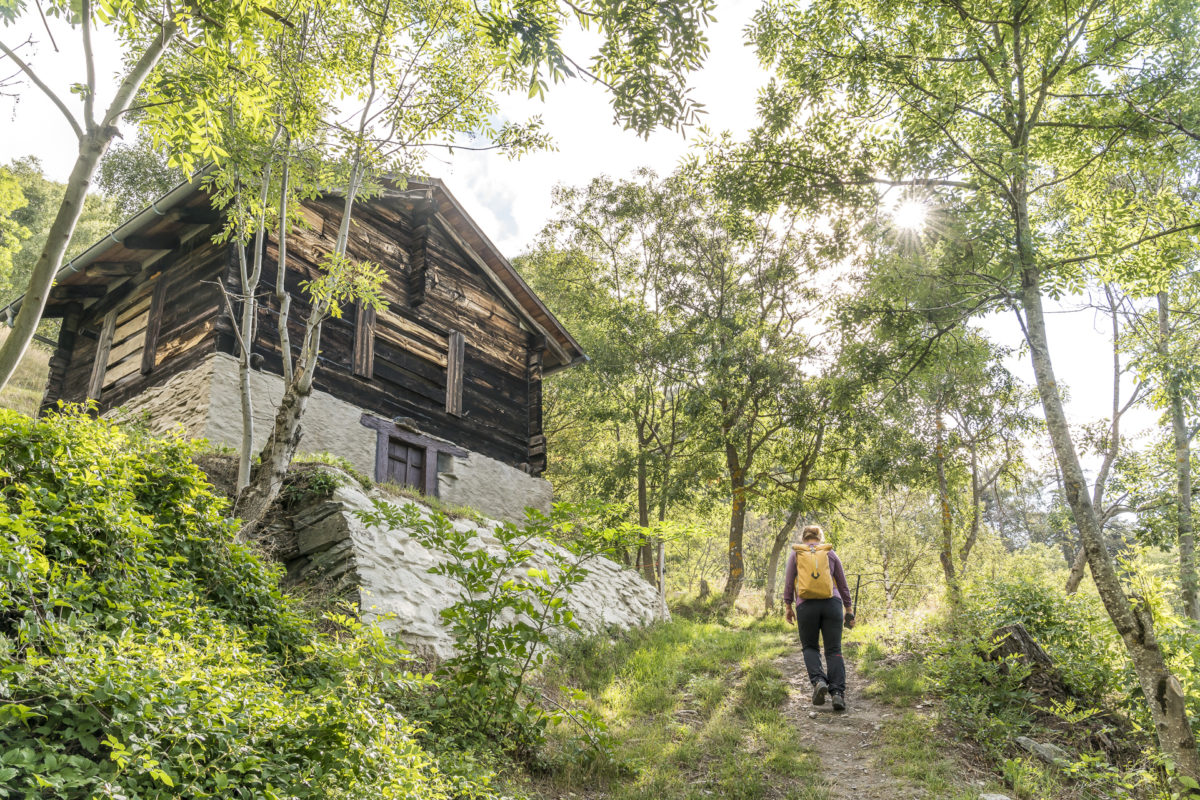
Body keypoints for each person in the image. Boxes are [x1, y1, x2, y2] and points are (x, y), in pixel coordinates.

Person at [783, 524, 854, 711]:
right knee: (834, 650)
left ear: (804, 537)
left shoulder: (797, 554)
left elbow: (789, 582)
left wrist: (788, 606)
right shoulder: (829, 553)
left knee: (810, 647)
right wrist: (849, 609)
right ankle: (837, 693)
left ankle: (819, 682)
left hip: (806, 605)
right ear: (820, 537)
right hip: (832, 604)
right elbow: (843, 583)